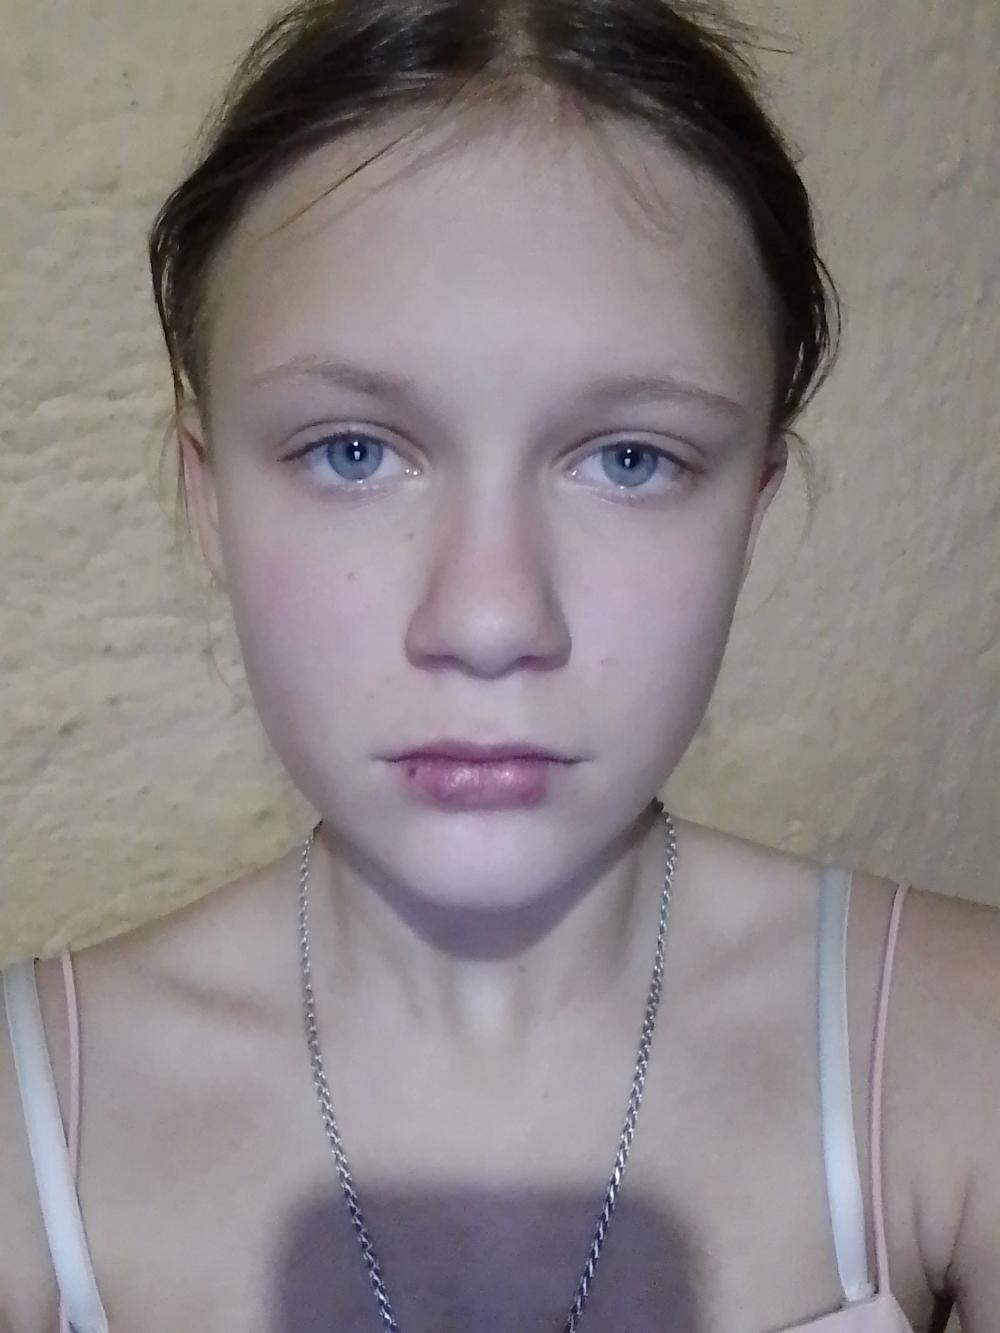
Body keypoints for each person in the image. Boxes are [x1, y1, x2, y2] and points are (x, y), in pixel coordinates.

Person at [1, 0, 997, 1329]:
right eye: (353, 451)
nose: (487, 618)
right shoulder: (28, 1128)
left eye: (630, 460)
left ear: (753, 501)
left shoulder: (962, 1053)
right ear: (208, 497)